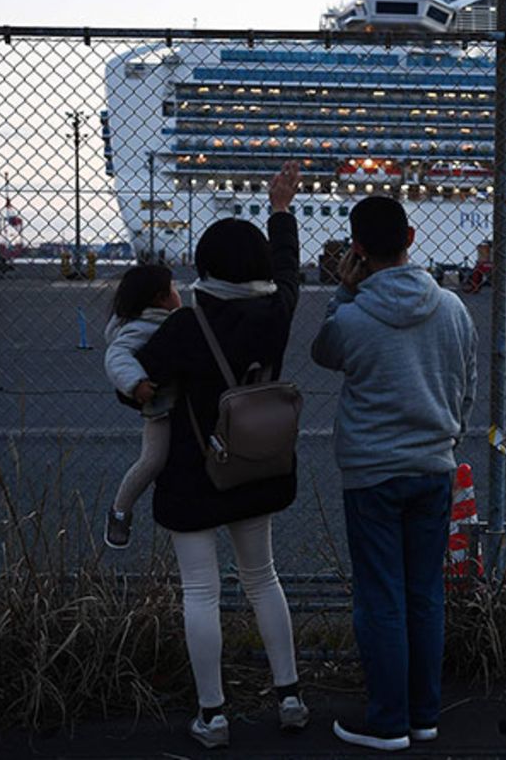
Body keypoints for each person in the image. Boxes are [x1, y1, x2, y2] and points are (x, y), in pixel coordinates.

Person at [135, 161, 308, 750]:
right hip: (255, 466)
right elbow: (289, 271)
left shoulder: (185, 325)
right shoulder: (277, 312)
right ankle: (289, 696)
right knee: (263, 579)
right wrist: (279, 210)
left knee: (201, 592)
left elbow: (141, 385)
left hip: (193, 473)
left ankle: (213, 714)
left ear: (203, 268)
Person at [311, 196, 478, 751]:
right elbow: (467, 387)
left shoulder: (353, 316)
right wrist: (446, 439)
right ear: (411, 235)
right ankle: (423, 715)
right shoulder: (453, 308)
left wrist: (344, 288)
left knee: (381, 596)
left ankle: (387, 721)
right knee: (426, 593)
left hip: (372, 472)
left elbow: (323, 352)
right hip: (435, 466)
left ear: (355, 248)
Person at [102, 263, 181, 549]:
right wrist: (136, 383)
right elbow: (117, 356)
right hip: (159, 410)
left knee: (168, 462)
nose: (178, 293)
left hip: (173, 406)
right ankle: (120, 511)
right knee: (152, 461)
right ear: (160, 298)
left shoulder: (161, 320)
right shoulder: (143, 327)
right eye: (173, 288)